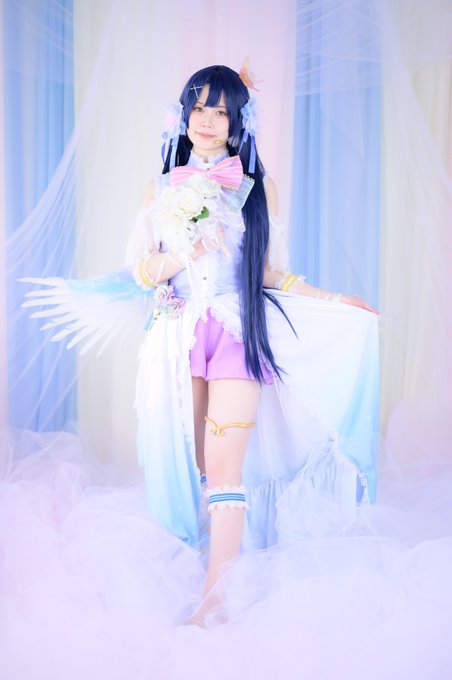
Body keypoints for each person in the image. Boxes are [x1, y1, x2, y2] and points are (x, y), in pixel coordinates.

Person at [122, 64, 378, 625]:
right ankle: (209, 559)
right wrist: (190, 250)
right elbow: (143, 272)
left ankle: (215, 600)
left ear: (238, 123)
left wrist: (332, 297)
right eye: (200, 108)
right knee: (198, 465)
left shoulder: (259, 188)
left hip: (237, 331)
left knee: (224, 466)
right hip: (179, 334)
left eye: (221, 112)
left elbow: (264, 271)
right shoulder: (161, 188)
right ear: (183, 114)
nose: (208, 121)